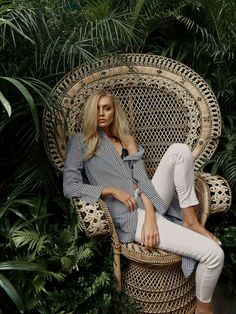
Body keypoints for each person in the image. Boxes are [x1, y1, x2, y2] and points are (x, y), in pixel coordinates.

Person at [63, 90, 224, 314]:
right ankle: (203, 309)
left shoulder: (126, 139)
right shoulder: (80, 142)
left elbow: (142, 180)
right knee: (214, 254)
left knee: (180, 150)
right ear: (90, 111)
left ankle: (190, 220)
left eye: (107, 108)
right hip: (128, 216)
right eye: (97, 108)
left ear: (113, 111)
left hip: (148, 202)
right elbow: (70, 186)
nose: (101, 113)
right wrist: (111, 191)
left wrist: (150, 215)